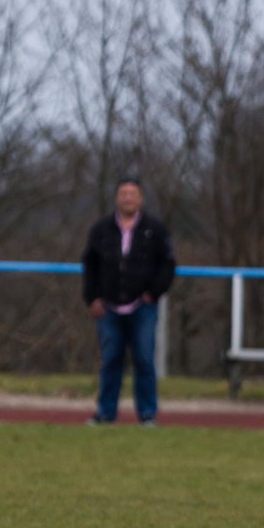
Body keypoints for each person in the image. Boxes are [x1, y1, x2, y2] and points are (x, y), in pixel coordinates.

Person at [81, 177, 176, 426]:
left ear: (141, 198)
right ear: (116, 197)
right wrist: (92, 298)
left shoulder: (155, 229)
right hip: (108, 308)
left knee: (144, 359)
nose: (128, 198)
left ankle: (147, 415)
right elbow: (89, 266)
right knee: (111, 359)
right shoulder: (100, 230)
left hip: (142, 307)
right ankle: (105, 413)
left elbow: (168, 265)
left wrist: (153, 293)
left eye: (132, 193)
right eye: (123, 193)